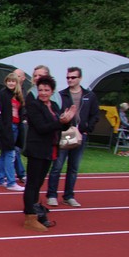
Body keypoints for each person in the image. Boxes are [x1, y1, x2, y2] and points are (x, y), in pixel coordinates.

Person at [23, 76, 76, 231]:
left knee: (39, 183)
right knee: (32, 184)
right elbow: (41, 127)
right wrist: (60, 122)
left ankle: (36, 212)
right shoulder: (34, 105)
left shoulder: (53, 105)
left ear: (52, 91)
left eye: (46, 90)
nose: (43, 93)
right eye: (40, 90)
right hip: (36, 149)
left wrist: (67, 121)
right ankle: (30, 216)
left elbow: (61, 127)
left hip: (50, 149)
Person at [46, 66, 99, 208]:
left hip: (80, 134)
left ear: (80, 78)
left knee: (73, 167)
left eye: (73, 77)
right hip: (65, 133)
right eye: (68, 77)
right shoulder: (61, 95)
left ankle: (69, 196)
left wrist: (87, 129)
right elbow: (55, 112)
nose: (70, 80)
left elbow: (95, 114)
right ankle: (52, 195)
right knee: (57, 166)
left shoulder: (89, 95)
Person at [0, 72, 25, 192]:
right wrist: (1, 128)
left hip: (16, 126)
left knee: (5, 153)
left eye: (13, 81)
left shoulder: (17, 95)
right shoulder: (2, 94)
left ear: (17, 83)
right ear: (6, 82)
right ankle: (11, 182)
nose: (11, 83)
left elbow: (20, 111)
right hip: (7, 127)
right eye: (9, 81)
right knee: (10, 154)